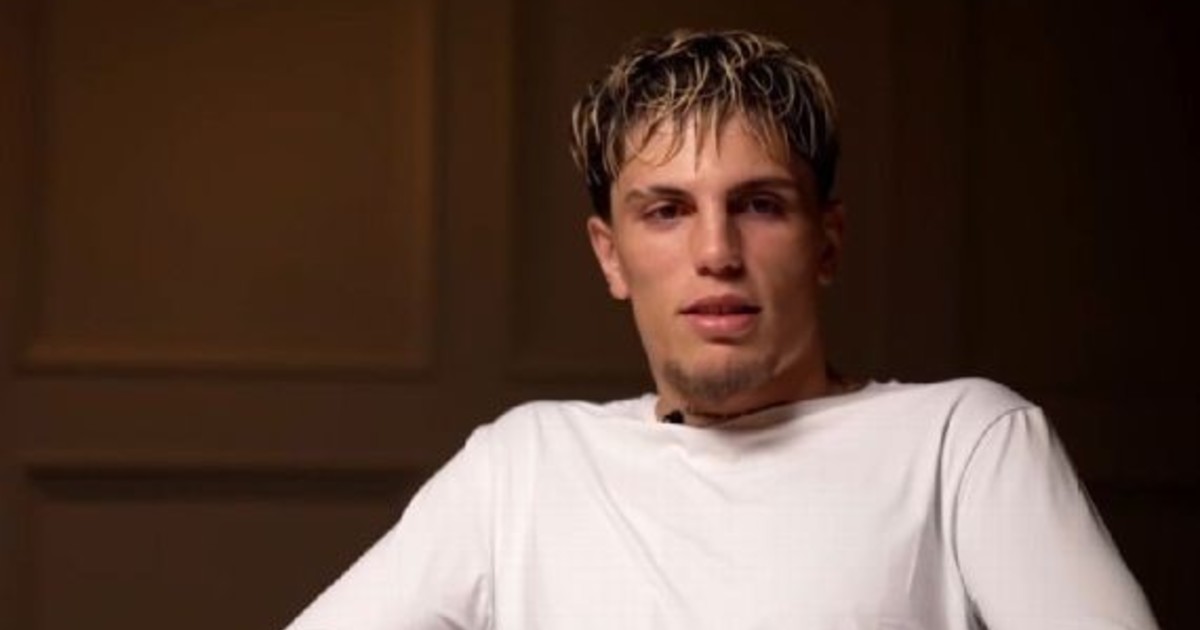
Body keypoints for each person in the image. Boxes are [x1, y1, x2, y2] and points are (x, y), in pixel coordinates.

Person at [285, 29, 1158, 629]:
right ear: (611, 256)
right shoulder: (526, 466)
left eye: (760, 205)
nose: (716, 252)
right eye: (666, 211)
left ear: (826, 241)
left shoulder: (963, 443)